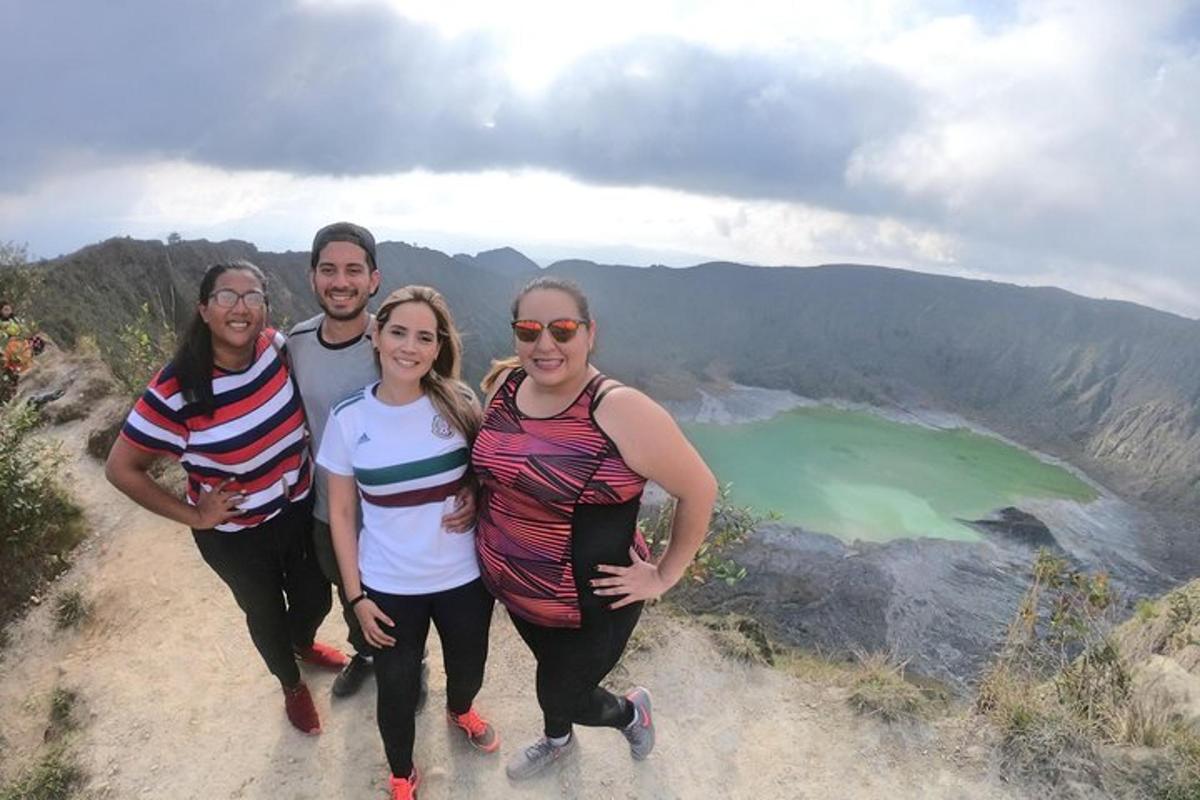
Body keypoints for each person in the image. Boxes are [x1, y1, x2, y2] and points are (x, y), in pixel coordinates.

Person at [472, 276, 718, 780]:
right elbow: (497, 467)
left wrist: (664, 574)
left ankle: (632, 713)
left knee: (563, 690)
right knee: (552, 672)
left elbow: (699, 489)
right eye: (528, 330)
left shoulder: (618, 408)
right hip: (517, 591)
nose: (545, 344)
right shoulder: (505, 385)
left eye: (562, 330)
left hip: (591, 602)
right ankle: (558, 740)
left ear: (590, 334)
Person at [105, 260, 347, 736]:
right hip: (234, 535)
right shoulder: (176, 389)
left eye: (253, 297)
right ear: (204, 309)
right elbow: (121, 468)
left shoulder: (274, 349)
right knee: (264, 613)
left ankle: (303, 641)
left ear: (264, 308)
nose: (241, 308)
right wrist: (195, 515)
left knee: (314, 597)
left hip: (295, 509)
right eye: (227, 297)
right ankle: (291, 683)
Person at [318, 286, 498, 800]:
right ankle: (402, 772)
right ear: (375, 336)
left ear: (438, 346)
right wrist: (356, 598)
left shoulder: (460, 402)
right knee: (395, 690)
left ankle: (460, 709)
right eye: (398, 332)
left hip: (464, 577)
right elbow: (342, 510)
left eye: (425, 337)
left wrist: (474, 491)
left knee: (469, 665)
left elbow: (490, 474)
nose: (409, 347)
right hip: (389, 584)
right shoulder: (349, 416)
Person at [289, 222, 470, 698]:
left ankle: (416, 661)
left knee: (414, 602)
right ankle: (367, 653)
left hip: (408, 516)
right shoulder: (297, 343)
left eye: (354, 269)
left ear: (374, 279)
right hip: (336, 509)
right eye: (328, 269)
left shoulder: (399, 338)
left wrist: (471, 486)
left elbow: (450, 413)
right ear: (312, 277)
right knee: (353, 596)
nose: (340, 281)